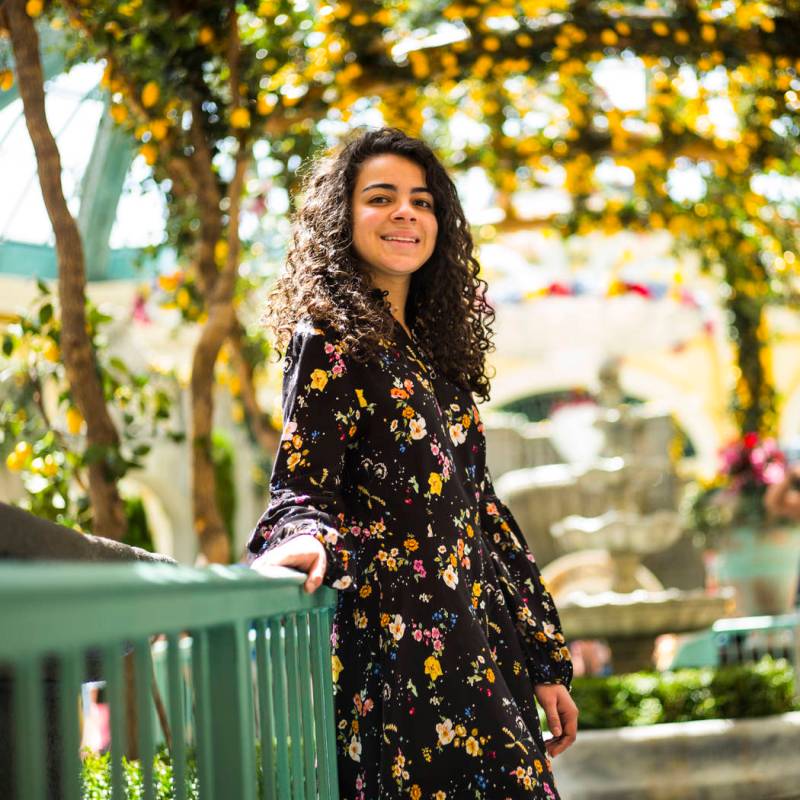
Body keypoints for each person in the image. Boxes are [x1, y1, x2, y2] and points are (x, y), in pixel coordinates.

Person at [248, 127, 578, 799]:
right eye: (381, 197)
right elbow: (303, 483)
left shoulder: (433, 356)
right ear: (342, 216)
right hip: (400, 658)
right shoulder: (329, 339)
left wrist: (544, 657)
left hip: (480, 648)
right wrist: (303, 536)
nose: (405, 213)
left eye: (422, 201)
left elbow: (483, 513)